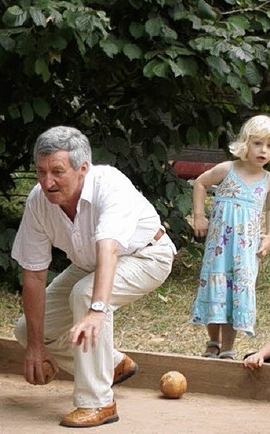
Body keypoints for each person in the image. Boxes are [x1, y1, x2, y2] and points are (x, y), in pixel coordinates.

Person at [12, 126, 176, 428]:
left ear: (82, 169)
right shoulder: (38, 201)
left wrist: (98, 309)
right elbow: (34, 275)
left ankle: (98, 402)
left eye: (57, 172)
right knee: (28, 330)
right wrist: (36, 348)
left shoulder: (110, 185)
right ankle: (112, 365)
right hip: (89, 265)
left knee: (86, 295)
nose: (48, 182)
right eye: (41, 172)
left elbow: (109, 249)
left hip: (147, 255)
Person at [191, 115, 270, 360]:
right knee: (217, 288)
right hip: (219, 247)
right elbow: (200, 183)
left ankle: (228, 347)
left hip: (245, 250)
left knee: (238, 290)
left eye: (269, 146)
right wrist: (199, 216)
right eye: (258, 144)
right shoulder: (227, 170)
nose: (263, 150)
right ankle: (213, 341)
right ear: (246, 143)